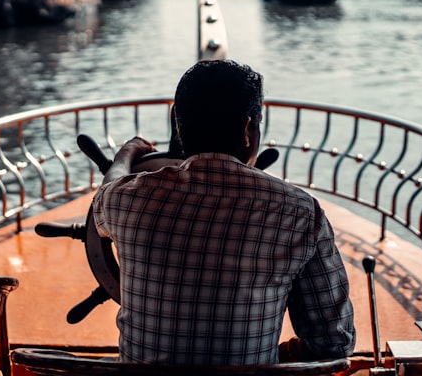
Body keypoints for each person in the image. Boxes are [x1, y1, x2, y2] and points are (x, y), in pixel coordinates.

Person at [91, 59, 356, 366]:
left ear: (178, 126)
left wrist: (126, 153)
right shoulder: (299, 212)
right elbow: (333, 344)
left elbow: (106, 192)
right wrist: (275, 357)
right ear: (248, 128)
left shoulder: (126, 200)